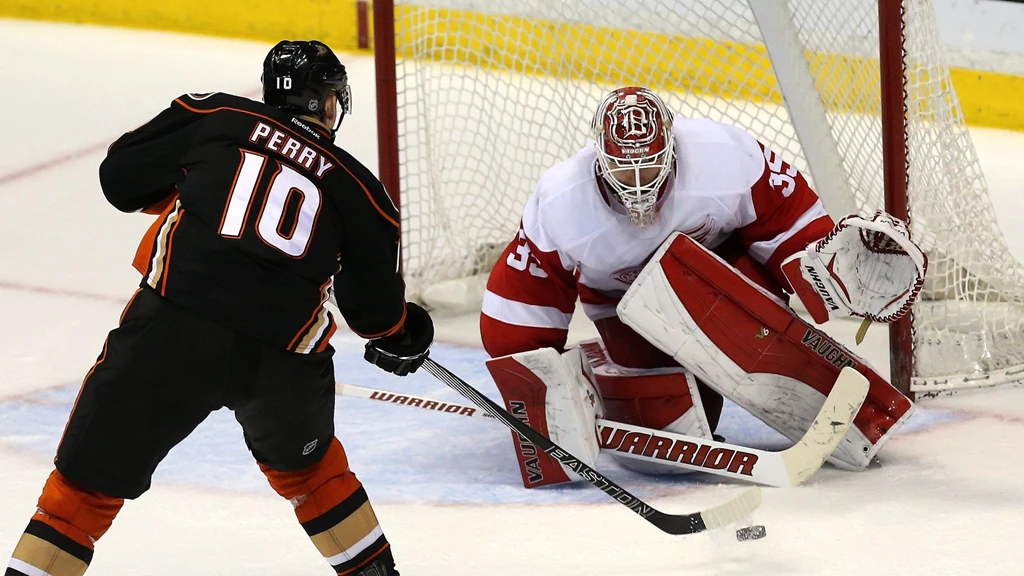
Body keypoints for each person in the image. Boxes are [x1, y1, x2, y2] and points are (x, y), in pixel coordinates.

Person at [4, 41, 430, 576]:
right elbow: (374, 317)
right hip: (282, 357)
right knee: (313, 476)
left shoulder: (215, 114)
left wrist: (194, 185)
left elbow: (121, 179)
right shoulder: (364, 192)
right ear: (327, 103)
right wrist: (406, 332)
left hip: (171, 330)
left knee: (81, 496)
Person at [480, 86, 926, 487]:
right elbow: (519, 306)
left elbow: (788, 221)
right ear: (599, 157)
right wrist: (535, 382)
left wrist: (829, 268)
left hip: (723, 276)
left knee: (729, 321)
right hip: (623, 310)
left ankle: (842, 403)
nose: (638, 184)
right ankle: (600, 372)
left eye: (650, 165)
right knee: (668, 449)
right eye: (624, 170)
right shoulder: (561, 202)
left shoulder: (725, 155)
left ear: (672, 148)